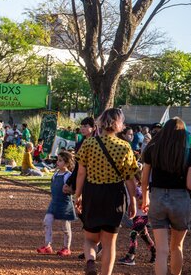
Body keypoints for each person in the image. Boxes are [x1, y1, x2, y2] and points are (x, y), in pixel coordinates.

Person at [74, 108, 138, 275]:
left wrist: (78, 195)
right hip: (115, 196)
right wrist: (133, 200)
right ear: (119, 125)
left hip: (92, 193)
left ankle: (90, 261)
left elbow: (81, 173)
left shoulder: (88, 144)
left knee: (90, 239)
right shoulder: (124, 147)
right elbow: (130, 178)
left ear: (100, 123)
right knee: (109, 243)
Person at [141, 117, 191, 275]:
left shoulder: (152, 150)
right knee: (177, 247)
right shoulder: (189, 153)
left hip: (157, 198)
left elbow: (144, 179)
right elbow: (190, 185)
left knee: (161, 250)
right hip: (180, 200)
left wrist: (145, 197)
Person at [63, 117, 103, 260]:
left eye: (86, 126)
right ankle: (94, 244)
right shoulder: (81, 143)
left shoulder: (100, 141)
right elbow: (79, 168)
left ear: (93, 127)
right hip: (84, 181)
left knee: (92, 213)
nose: (83, 128)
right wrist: (71, 182)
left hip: (97, 181)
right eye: (82, 126)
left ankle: (96, 244)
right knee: (82, 212)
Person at [37, 151, 77, 256]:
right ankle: (47, 246)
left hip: (65, 204)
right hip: (54, 203)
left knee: (65, 227)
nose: (57, 162)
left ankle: (66, 248)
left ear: (67, 163)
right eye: (57, 160)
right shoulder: (55, 174)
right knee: (47, 221)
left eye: (60, 160)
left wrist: (70, 191)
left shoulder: (69, 176)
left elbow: (74, 190)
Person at [117, 172, 156, 266]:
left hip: (143, 216)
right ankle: (155, 253)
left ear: (137, 179)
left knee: (133, 234)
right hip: (136, 216)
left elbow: (144, 201)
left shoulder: (141, 188)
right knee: (145, 236)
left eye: (132, 179)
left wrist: (139, 199)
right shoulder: (128, 187)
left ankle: (131, 257)